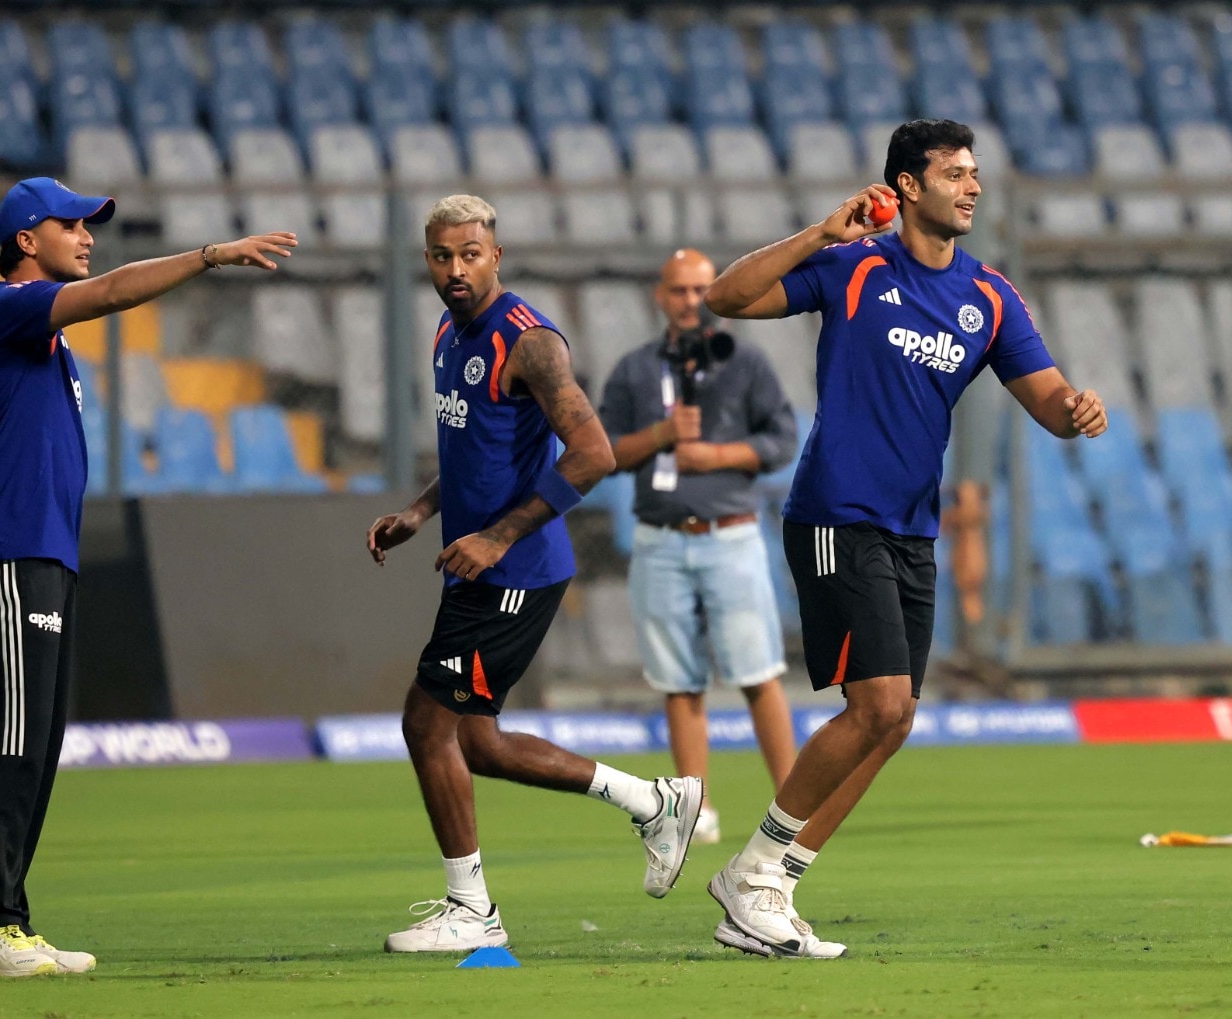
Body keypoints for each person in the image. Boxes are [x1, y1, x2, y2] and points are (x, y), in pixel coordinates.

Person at [699, 119, 1108, 958]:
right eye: (955, 172)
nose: (973, 186)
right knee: (878, 704)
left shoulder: (988, 296)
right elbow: (726, 297)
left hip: (911, 528)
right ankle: (752, 872)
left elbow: (1051, 401)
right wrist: (820, 231)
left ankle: (773, 882)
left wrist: (1077, 411)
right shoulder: (854, 268)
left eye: (976, 172)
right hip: (836, 514)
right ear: (907, 186)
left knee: (893, 721)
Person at [0, 176, 297, 977]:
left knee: (38, 740)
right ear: (25, 238)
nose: (88, 236)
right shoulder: (5, 307)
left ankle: (4, 923)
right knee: (15, 740)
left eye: (90, 224)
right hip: (6, 550)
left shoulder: (46, 339)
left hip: (44, 554)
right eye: (71, 223)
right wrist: (210, 255)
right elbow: (108, 293)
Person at [366, 195, 704, 954]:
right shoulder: (449, 336)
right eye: (442, 256)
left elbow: (593, 455)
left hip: (514, 568)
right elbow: (473, 453)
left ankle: (472, 908)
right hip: (477, 564)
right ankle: (654, 801)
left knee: (424, 722)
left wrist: (495, 537)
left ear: (496, 255)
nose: (456, 268)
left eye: (470, 254)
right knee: (475, 742)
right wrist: (421, 512)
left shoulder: (531, 343)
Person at [598, 248, 799, 848]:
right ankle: (695, 806)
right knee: (678, 682)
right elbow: (602, 450)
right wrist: (658, 437)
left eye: (701, 290)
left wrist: (716, 455)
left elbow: (782, 439)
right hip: (660, 540)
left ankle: (795, 804)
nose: (691, 301)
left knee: (758, 673)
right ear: (660, 296)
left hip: (731, 533)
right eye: (680, 290)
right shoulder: (635, 370)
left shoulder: (746, 362)